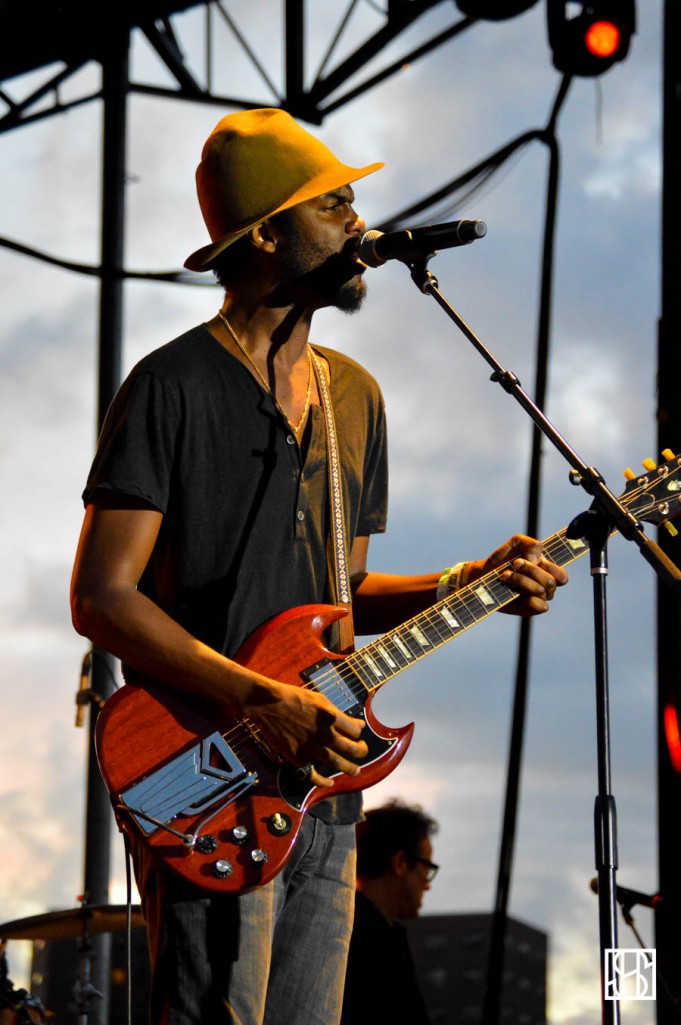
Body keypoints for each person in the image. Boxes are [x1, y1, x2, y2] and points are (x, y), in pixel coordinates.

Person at [70, 107, 568, 1025]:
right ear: (265, 233)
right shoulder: (170, 385)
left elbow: (340, 602)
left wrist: (470, 579)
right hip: (207, 768)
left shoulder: (355, 396)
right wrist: (264, 702)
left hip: (325, 788)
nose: (357, 223)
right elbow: (102, 597)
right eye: (332, 204)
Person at [341, 800, 437, 1025]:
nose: (427, 885)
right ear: (401, 863)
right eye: (426, 869)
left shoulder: (344, 927)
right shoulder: (372, 942)